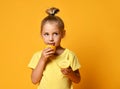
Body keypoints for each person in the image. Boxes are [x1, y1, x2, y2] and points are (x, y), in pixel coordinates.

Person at [28, 7, 81, 89]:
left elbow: (77, 80)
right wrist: (43, 60)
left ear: (63, 34)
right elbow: (34, 80)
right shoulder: (38, 56)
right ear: (41, 35)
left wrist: (70, 74)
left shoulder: (70, 55)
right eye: (46, 34)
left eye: (55, 33)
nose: (51, 38)